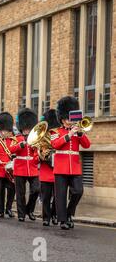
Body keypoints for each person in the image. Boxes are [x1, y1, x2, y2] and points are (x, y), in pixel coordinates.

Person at [51, 96, 91, 230]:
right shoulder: (56, 132)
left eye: (71, 118)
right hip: (61, 168)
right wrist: (69, 135)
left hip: (74, 168)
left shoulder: (78, 131)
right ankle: (63, 220)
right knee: (61, 196)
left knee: (78, 191)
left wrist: (80, 134)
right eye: (68, 118)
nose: (70, 121)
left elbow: (86, 145)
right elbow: (55, 144)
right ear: (62, 119)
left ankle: (69, 213)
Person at [10, 108, 40, 222]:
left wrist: (36, 157)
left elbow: (37, 152)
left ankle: (30, 210)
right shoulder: (16, 138)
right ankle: (21, 214)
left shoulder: (35, 139)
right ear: (21, 127)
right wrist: (20, 145)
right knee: (20, 193)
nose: (27, 130)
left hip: (32, 167)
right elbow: (11, 149)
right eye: (25, 128)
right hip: (20, 167)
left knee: (36, 189)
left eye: (29, 128)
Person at [0, 112, 16, 219]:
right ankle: (0, 210)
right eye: (2, 130)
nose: (3, 133)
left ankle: (9, 208)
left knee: (11, 190)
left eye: (5, 131)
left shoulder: (13, 141)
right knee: (0, 191)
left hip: (10, 170)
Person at [39, 109, 60, 227]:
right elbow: (38, 154)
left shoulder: (58, 134)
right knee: (46, 197)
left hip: (58, 171)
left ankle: (54, 215)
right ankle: (46, 217)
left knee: (58, 196)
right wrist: (43, 154)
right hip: (46, 171)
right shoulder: (42, 136)